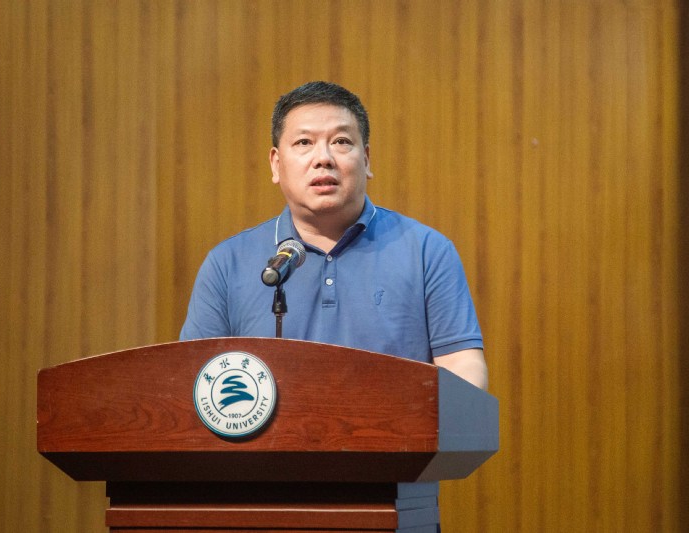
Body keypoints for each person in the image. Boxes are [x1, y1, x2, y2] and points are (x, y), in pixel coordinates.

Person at [180, 80, 487, 391]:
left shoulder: (426, 252)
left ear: (366, 160)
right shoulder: (227, 264)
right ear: (276, 164)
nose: (323, 158)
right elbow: (196, 379)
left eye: (341, 141)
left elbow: (462, 365)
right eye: (304, 142)